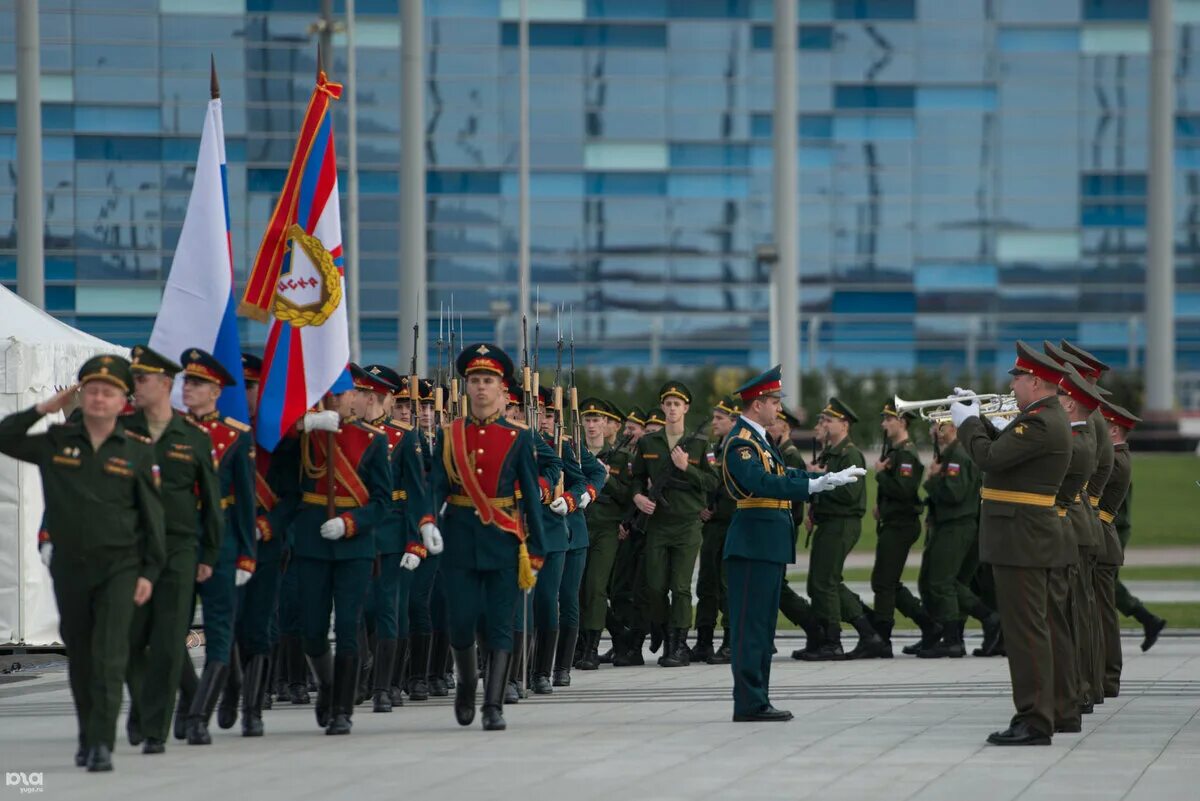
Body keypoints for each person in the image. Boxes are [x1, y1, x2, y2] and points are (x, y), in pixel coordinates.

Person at [0, 356, 166, 771]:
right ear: (80, 395)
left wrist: (149, 572)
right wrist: (44, 407)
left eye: (107, 392)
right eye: (90, 390)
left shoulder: (137, 451)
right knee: (83, 656)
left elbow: (152, 519)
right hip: (71, 568)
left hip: (120, 566)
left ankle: (101, 744)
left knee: (111, 654)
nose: (98, 398)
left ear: (121, 401)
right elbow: (5, 437)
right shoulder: (58, 441)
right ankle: (88, 732)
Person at [721, 365, 865, 722]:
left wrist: (821, 477)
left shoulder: (759, 440)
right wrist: (811, 487)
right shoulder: (741, 441)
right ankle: (750, 702)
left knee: (763, 627)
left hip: (766, 544)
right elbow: (761, 483)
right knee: (751, 628)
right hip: (753, 543)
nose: (778, 408)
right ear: (758, 405)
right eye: (774, 401)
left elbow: (781, 474)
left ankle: (759, 698)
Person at [954, 341, 1071, 746]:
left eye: (1017, 378)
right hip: (1024, 536)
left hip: (1022, 537)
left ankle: (1035, 720)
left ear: (1035, 381)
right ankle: (1040, 713)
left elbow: (989, 459)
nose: (1013, 385)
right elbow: (1004, 452)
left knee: (1025, 633)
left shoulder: (1039, 421)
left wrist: (968, 423)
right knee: (1029, 629)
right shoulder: (1042, 417)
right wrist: (978, 417)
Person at [429, 343, 550, 731]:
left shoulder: (518, 437)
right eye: (475, 380)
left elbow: (531, 495)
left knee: (501, 623)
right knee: (461, 622)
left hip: (503, 541)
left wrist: (536, 547)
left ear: (502, 389)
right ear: (466, 387)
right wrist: (427, 520)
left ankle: (493, 705)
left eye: (489, 381)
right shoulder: (450, 435)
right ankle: (467, 683)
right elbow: (435, 486)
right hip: (460, 540)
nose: (481, 388)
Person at [271, 387, 396, 735]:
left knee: (347, 628)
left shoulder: (371, 440)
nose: (336, 399)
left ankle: (342, 707)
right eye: (329, 392)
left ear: (357, 399)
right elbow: (277, 464)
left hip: (354, 547)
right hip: (312, 541)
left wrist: (350, 522)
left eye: (342, 393)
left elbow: (383, 502)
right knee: (311, 631)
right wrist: (301, 427)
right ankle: (326, 684)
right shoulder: (306, 436)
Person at [123, 347, 222, 754]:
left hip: (180, 549)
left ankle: (154, 729)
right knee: (128, 640)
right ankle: (145, 707)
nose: (135, 386)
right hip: (132, 548)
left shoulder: (193, 437)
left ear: (165, 384)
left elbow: (213, 504)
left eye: (142, 379)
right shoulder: (123, 430)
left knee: (167, 640)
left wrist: (209, 556)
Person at [177, 349, 256, 746]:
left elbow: (245, 500)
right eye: (186, 382)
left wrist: (247, 553)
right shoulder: (171, 431)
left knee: (218, 633)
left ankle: (197, 717)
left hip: (221, 542)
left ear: (215, 391)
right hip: (177, 542)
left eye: (196, 384)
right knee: (173, 631)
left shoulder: (235, 436)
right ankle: (193, 697)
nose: (187, 389)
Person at [630, 382, 719, 666]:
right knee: (655, 587)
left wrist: (686, 468)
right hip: (656, 523)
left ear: (686, 408)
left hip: (687, 524)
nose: (671, 409)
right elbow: (635, 477)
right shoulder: (648, 443)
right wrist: (637, 497)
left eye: (676, 404)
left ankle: (677, 645)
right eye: (667, 404)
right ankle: (661, 628)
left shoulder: (701, 444)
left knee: (680, 587)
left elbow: (713, 482)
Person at [801, 398, 883, 660]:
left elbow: (850, 494)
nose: (823, 424)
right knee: (821, 582)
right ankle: (863, 631)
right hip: (829, 521)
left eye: (828, 420)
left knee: (826, 582)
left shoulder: (850, 454)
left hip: (842, 522)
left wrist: (819, 479)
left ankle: (836, 640)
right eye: (822, 419)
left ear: (844, 424)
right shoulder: (831, 453)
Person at [913, 418, 995, 659]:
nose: (934, 431)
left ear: (955, 429)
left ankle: (962, 634)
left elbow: (954, 493)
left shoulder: (958, 454)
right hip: (949, 523)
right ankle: (958, 633)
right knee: (944, 581)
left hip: (956, 525)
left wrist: (933, 480)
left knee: (942, 582)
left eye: (941, 426)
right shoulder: (951, 453)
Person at [870, 401, 937, 657]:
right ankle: (928, 625)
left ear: (902, 422)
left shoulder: (906, 454)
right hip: (892, 521)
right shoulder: (896, 452)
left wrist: (881, 475)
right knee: (886, 581)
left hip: (901, 525)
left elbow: (905, 490)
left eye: (889, 419)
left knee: (884, 583)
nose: (883, 424)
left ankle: (883, 638)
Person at [578, 399, 635, 669]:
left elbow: (627, 495)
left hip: (605, 528)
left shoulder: (621, 457)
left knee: (596, 587)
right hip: (578, 526)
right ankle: (617, 636)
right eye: (587, 420)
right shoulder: (573, 454)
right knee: (578, 589)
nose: (591, 425)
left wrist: (607, 478)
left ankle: (591, 648)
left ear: (605, 423)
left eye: (596, 420)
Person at [1096, 399, 1139, 696]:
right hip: (1101, 540)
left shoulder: (1115, 460)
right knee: (1100, 615)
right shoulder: (1115, 457)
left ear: (1112, 430)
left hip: (1100, 543)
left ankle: (1108, 677)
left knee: (1100, 616)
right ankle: (1106, 677)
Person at [693, 396, 739, 664]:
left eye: (719, 418)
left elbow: (733, 489)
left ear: (734, 421)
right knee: (706, 584)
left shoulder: (737, 449)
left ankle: (731, 642)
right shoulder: (716, 449)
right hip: (712, 526)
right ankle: (703, 640)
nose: (714, 423)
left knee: (726, 585)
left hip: (730, 524)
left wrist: (715, 509)